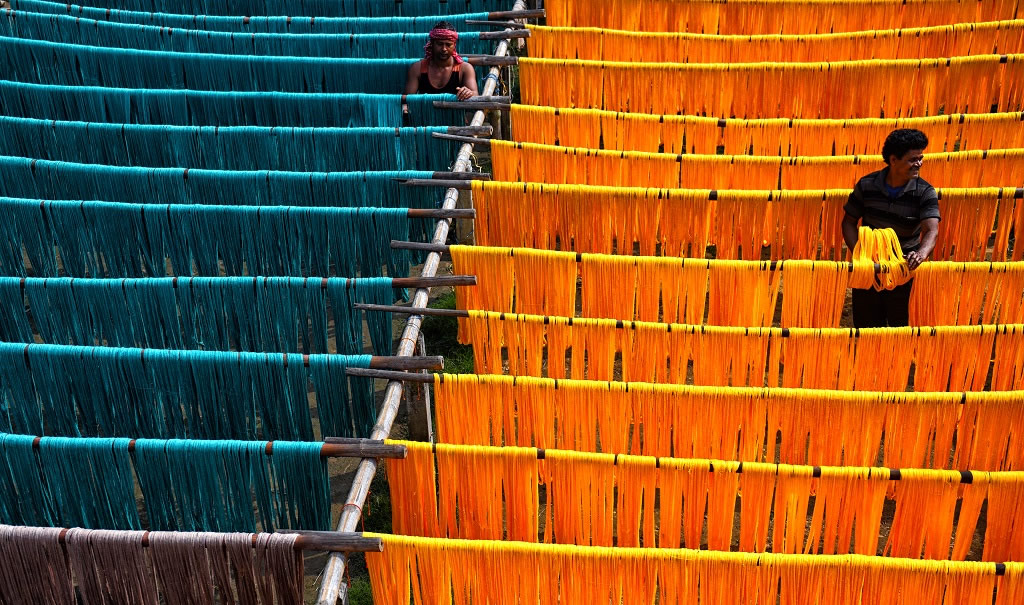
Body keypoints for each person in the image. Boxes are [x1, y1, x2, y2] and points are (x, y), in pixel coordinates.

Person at [841, 128, 940, 328]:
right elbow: (849, 222)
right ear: (893, 160)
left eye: (921, 157)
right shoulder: (867, 185)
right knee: (866, 329)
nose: (919, 163)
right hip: (869, 273)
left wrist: (920, 254)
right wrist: (861, 255)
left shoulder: (925, 192)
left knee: (899, 329)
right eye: (913, 159)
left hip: (904, 272)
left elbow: (932, 230)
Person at [405, 21, 478, 101]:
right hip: (425, 113)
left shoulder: (465, 69)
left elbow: (475, 95)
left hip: (455, 113)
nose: (444, 49)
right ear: (432, 44)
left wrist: (468, 93)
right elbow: (407, 100)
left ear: (454, 45)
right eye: (440, 44)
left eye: (448, 44)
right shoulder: (417, 68)